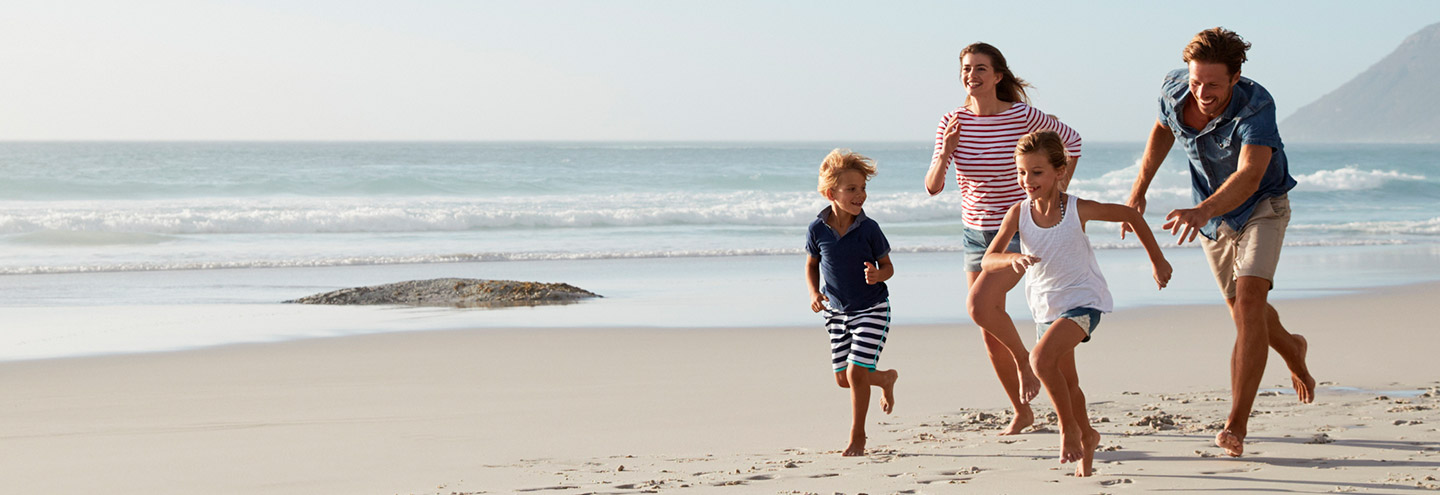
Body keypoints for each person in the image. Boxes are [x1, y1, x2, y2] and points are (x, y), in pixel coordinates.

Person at [1122, 27, 1316, 457]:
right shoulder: (1175, 91)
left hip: (1262, 205)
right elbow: (1163, 130)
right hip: (1212, 216)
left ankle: (1236, 425)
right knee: (1243, 314)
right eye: (1196, 82)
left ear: (1236, 76)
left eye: (1212, 84)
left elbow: (1249, 175)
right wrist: (1139, 190)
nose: (1202, 93)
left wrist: (1201, 211)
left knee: (1248, 303)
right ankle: (1291, 346)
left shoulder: (1257, 106)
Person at [984, 130, 1172, 477]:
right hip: (1045, 308)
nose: (1027, 180)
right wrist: (1010, 261)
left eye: (1036, 172)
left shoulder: (1076, 209)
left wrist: (1157, 261)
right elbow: (988, 258)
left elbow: (1131, 215)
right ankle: (1088, 437)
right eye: (1022, 172)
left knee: (1040, 360)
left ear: (1060, 171)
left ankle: (1067, 427)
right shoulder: (1018, 213)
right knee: (1068, 384)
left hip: (1083, 302)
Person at [924, 42, 1082, 435]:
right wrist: (945, 153)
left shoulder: (1022, 116)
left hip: (1015, 230)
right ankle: (1022, 410)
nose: (971, 75)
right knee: (987, 328)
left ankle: (1027, 361)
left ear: (997, 76)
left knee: (979, 306)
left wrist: (1052, 197)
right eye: (966, 68)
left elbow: (1072, 142)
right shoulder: (952, 122)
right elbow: (932, 186)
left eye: (980, 68)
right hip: (973, 233)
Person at [806, 149, 900, 457]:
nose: (861, 195)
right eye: (852, 189)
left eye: (862, 188)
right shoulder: (817, 229)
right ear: (832, 193)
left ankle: (857, 436)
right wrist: (813, 293)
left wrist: (877, 275)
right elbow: (812, 264)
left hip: (872, 308)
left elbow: (888, 267)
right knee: (842, 379)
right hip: (836, 311)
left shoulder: (869, 229)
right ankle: (885, 378)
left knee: (856, 372)